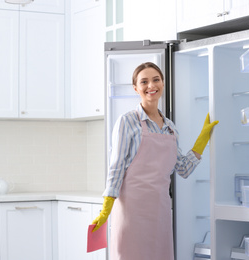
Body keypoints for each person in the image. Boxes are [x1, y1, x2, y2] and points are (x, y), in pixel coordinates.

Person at [91, 62, 218, 260]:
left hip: (159, 211)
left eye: (156, 79)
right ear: (136, 88)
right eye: (144, 81)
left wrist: (202, 141)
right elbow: (116, 167)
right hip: (131, 211)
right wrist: (107, 207)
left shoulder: (170, 127)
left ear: (163, 84)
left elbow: (183, 169)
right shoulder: (127, 121)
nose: (151, 85)